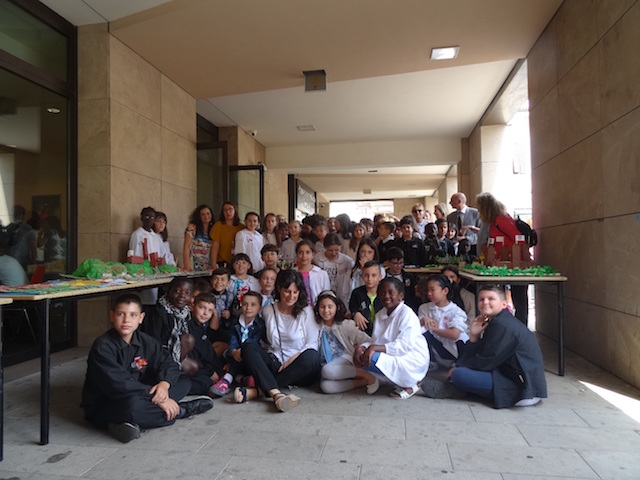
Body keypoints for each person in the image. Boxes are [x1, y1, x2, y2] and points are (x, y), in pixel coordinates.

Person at [81, 293, 213, 443]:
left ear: (141, 318)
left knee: (183, 382)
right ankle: (181, 410)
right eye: (121, 314)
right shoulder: (103, 346)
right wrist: (158, 399)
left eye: (132, 315)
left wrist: (164, 384)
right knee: (133, 407)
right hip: (108, 402)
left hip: (140, 391)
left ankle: (128, 423)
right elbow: (119, 384)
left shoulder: (146, 341)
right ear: (112, 316)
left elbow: (169, 363)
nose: (126, 320)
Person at [422, 285, 547, 408]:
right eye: (481, 299)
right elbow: (482, 353)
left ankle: (458, 389)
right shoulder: (496, 320)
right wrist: (474, 336)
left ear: (504, 304)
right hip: (507, 374)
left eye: (491, 299)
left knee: (459, 375)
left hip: (522, 390)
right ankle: (459, 389)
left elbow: (487, 360)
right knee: (461, 370)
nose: (485, 302)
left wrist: (459, 367)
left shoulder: (502, 325)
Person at [233, 270, 321, 412]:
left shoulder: (306, 311)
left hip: (300, 366)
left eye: (295, 292)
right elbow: (264, 340)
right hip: (276, 362)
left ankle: (258, 390)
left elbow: (312, 343)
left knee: (311, 356)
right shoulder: (268, 310)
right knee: (248, 347)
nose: (291, 296)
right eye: (287, 291)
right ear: (279, 288)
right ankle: (275, 393)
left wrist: (292, 359)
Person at [353, 277, 430, 399]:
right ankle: (393, 380)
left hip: (411, 358)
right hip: (393, 354)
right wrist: (362, 347)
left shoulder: (407, 314)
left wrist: (373, 348)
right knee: (359, 355)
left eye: (391, 292)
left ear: (400, 296)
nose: (386, 296)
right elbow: (376, 341)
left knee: (371, 357)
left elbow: (404, 346)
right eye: (382, 293)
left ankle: (411, 383)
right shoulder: (380, 315)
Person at [141, 278, 219, 395]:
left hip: (179, 362)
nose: (182, 296)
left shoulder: (186, 314)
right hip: (160, 362)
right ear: (168, 290)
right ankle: (159, 390)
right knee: (196, 381)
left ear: (191, 297)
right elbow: (154, 346)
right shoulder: (158, 313)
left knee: (204, 381)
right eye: (177, 291)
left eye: (187, 293)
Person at [476, 192, 529, 325]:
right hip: (504, 265)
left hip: (510, 265)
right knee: (516, 298)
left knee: (517, 298)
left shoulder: (500, 220)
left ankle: (519, 328)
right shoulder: (496, 220)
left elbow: (518, 241)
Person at [315, 291, 378, 394]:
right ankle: (363, 381)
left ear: (337, 307)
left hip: (346, 360)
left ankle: (367, 375)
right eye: (322, 307)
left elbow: (369, 341)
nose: (326, 310)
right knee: (326, 386)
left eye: (330, 307)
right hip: (328, 364)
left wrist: (360, 349)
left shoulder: (345, 324)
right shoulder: (316, 326)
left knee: (326, 370)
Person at [211, 290, 265, 396]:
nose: (248, 308)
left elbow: (254, 342)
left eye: (253, 305)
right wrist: (233, 352)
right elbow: (233, 340)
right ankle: (241, 379)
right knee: (224, 359)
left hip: (252, 358)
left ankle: (227, 380)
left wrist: (240, 352)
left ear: (259, 308)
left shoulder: (260, 325)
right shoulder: (235, 323)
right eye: (245, 304)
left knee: (244, 353)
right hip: (236, 357)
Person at [418, 275, 469, 370]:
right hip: (436, 349)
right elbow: (415, 329)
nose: (429, 293)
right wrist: (423, 320)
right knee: (422, 332)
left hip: (453, 351)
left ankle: (458, 364)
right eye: (428, 290)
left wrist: (434, 329)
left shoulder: (456, 311)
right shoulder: (424, 308)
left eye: (433, 290)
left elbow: (454, 334)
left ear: (445, 291)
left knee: (461, 338)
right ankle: (431, 362)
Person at [313, 233, 354, 306]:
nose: (333, 253)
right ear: (325, 247)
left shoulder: (347, 261)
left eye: (336, 250)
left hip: (341, 294)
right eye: (330, 250)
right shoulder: (317, 259)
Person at [349, 261, 383, 336]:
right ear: (362, 277)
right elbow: (352, 307)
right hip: (363, 332)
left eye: (373, 275)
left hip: (383, 331)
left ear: (380, 277)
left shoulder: (384, 293)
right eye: (366, 275)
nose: (369, 279)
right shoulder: (356, 293)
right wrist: (356, 314)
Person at [294, 239, 330, 307]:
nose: (304, 256)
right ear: (297, 255)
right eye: (301, 252)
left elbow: (326, 295)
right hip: (296, 309)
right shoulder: (292, 273)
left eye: (307, 252)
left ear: (313, 254)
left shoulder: (322, 274)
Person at [210, 201, 244, 269]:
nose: (228, 212)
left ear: (235, 210)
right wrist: (213, 263)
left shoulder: (242, 227)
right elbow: (215, 245)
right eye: (225, 210)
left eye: (230, 209)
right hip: (222, 261)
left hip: (238, 262)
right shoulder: (218, 225)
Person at [385, 247, 419, 313]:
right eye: (395, 263)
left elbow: (412, 295)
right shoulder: (383, 276)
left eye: (401, 263)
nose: (398, 266)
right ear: (388, 262)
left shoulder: (408, 277)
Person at [209, 267, 235, 355]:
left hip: (224, 327)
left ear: (228, 283)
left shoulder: (231, 296)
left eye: (223, 279)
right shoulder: (207, 295)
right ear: (211, 281)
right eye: (216, 279)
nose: (219, 282)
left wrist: (229, 313)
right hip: (209, 327)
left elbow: (234, 312)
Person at [228, 253, 261, 318]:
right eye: (237, 263)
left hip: (249, 310)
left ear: (248, 266)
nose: (240, 265)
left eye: (244, 263)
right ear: (233, 266)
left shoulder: (254, 281)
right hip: (230, 311)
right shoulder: (228, 279)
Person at [182, 204, 214, 271]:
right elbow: (186, 246)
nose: (206, 216)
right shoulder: (192, 228)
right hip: (193, 264)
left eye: (208, 214)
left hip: (208, 267)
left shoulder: (214, 229)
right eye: (203, 214)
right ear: (199, 216)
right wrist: (186, 264)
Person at [6, 205, 36, 270]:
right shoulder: (27, 228)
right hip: (22, 262)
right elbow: (33, 248)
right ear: (22, 215)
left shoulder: (6, 228)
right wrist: (33, 263)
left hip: (7, 261)